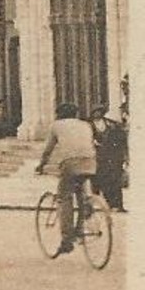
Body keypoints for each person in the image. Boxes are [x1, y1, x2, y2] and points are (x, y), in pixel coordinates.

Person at [36, 103, 98, 255]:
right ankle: (83, 216)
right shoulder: (85, 125)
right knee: (81, 191)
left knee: (64, 198)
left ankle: (67, 240)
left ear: (59, 114)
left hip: (70, 163)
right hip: (90, 161)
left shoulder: (56, 126)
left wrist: (41, 165)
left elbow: (48, 150)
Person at [89, 103, 128, 212]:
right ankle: (98, 204)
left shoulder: (109, 124)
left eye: (100, 111)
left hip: (108, 156)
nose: (98, 113)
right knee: (97, 181)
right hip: (96, 157)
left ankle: (115, 204)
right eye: (96, 111)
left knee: (112, 181)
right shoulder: (89, 125)